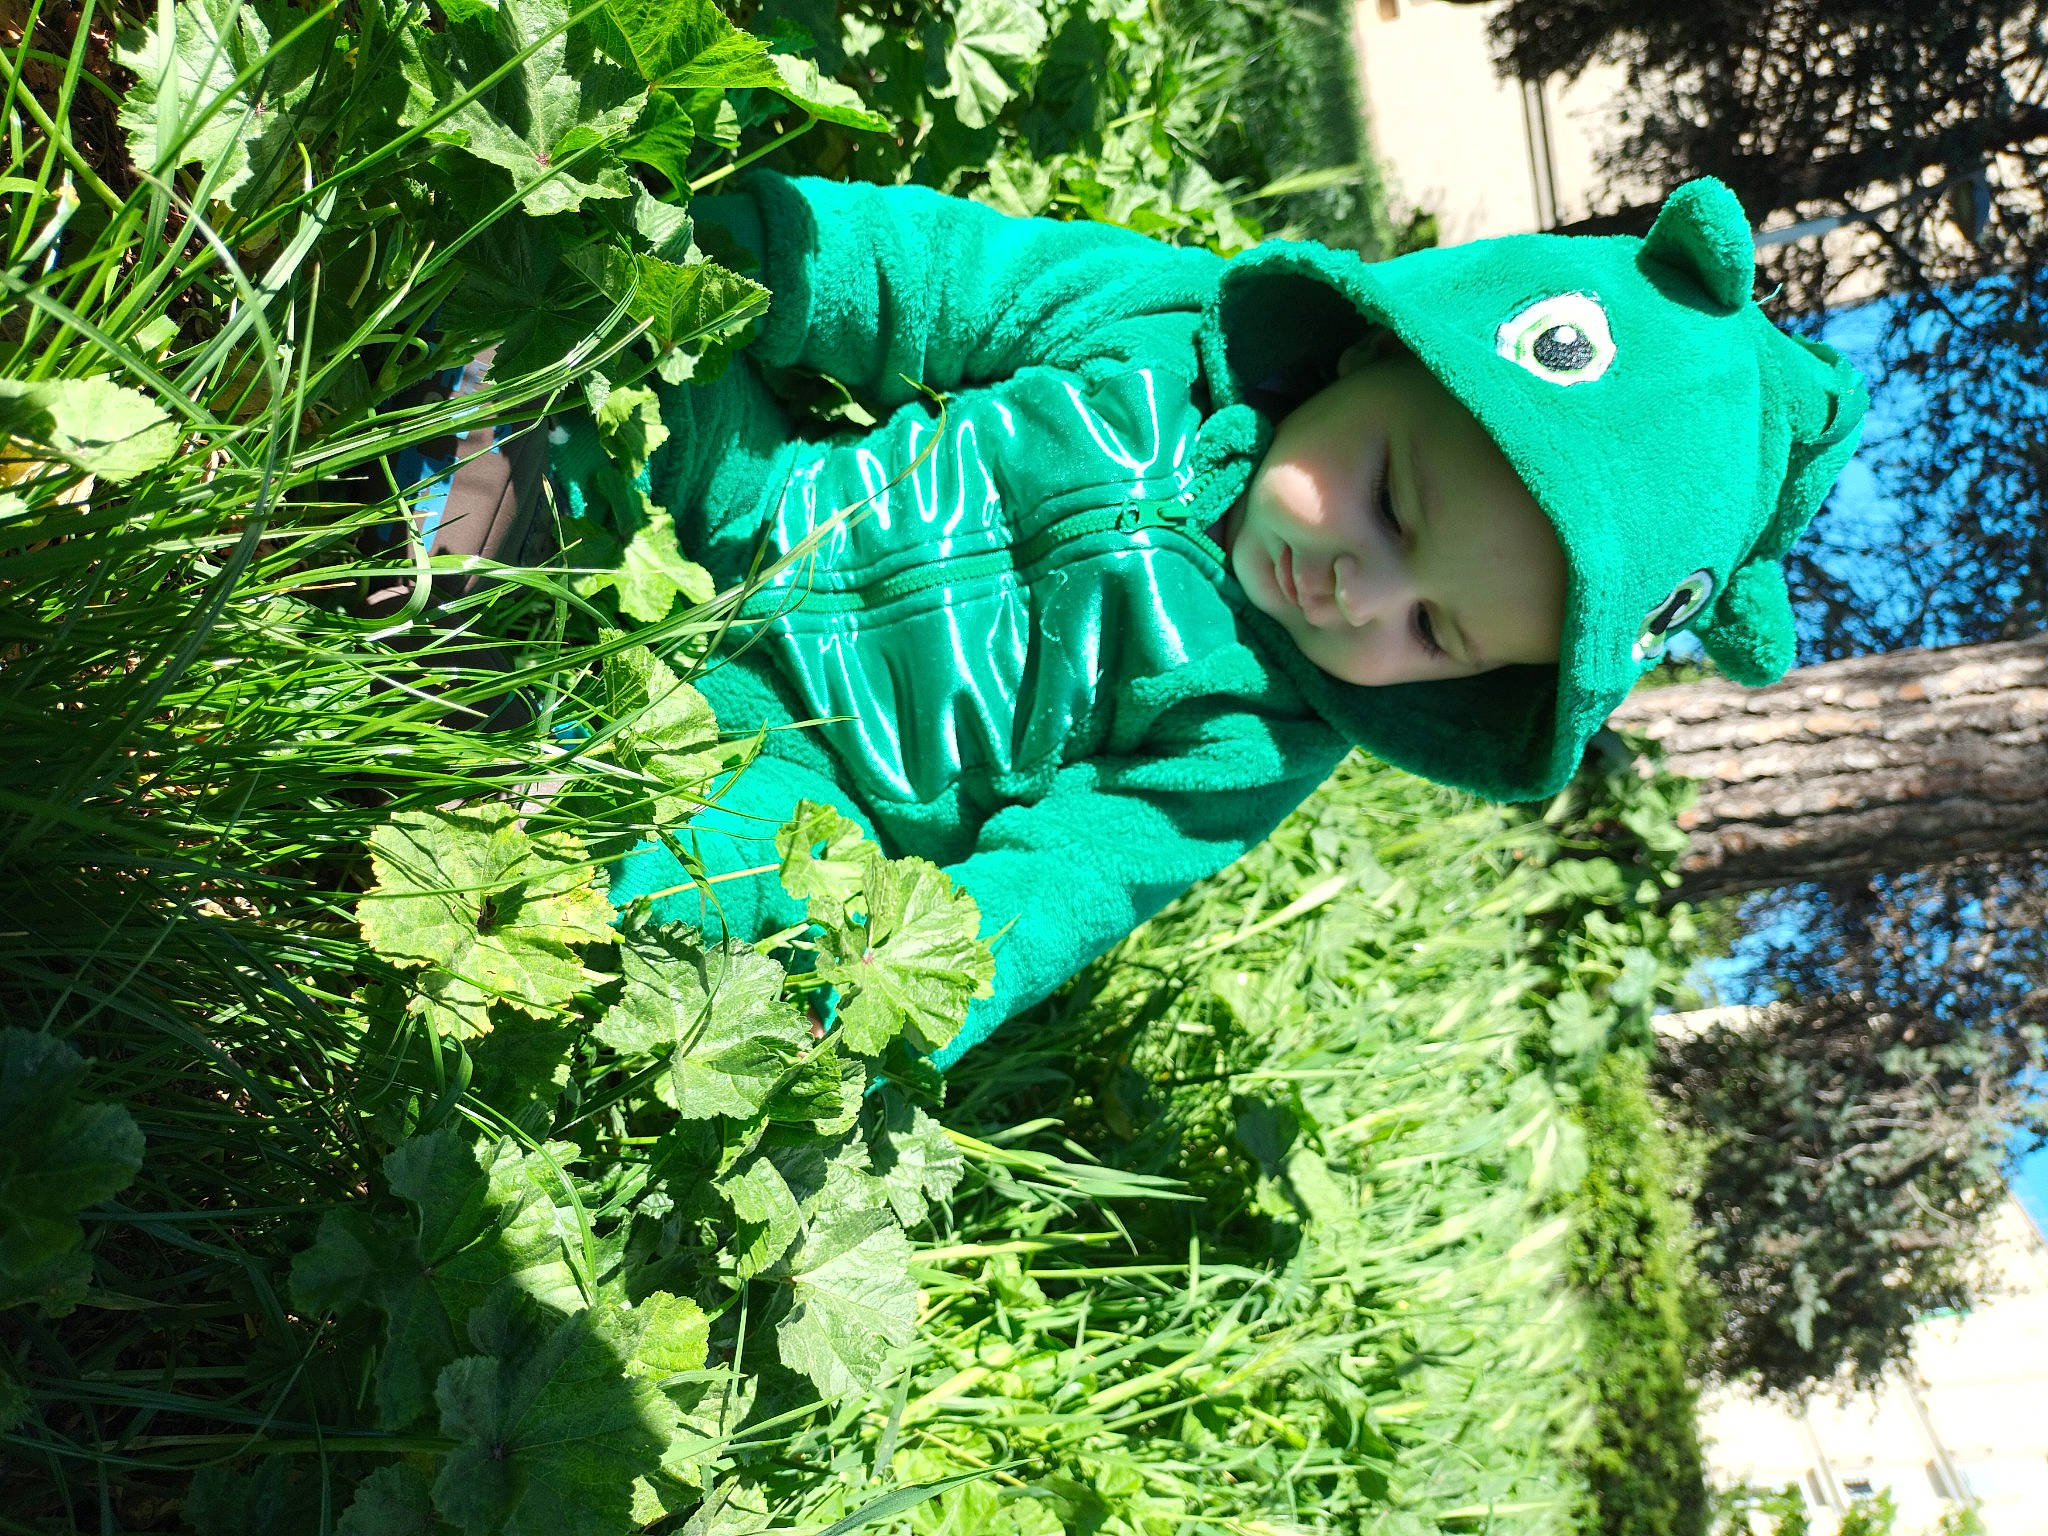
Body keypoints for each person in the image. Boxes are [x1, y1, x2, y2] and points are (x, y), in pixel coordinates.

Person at [524, 171, 1864, 1070]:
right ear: (1369, 350)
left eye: (1435, 634)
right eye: (1392, 504)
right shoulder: (1164, 326)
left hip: (821, 775)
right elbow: (946, 276)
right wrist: (772, 256)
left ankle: (525, 849)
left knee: (692, 905)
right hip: (769, 493)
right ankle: (475, 490)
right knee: (625, 368)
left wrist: (904, 988)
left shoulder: (1260, 738)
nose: (1365, 592)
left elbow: (1080, 876)